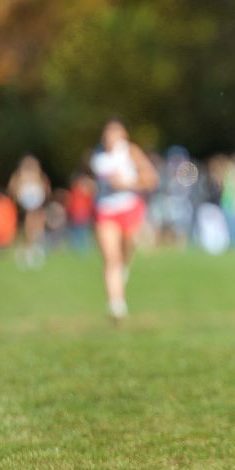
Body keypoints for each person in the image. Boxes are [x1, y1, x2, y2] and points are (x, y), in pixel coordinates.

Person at [89, 119, 158, 322]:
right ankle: (116, 304)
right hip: (106, 211)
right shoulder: (97, 157)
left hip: (129, 208)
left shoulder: (131, 152)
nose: (111, 138)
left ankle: (123, 269)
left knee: (127, 249)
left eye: (115, 134)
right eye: (108, 134)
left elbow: (151, 179)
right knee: (111, 258)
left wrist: (128, 184)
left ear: (123, 135)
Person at [7, 155, 51, 267]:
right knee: (28, 224)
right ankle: (29, 249)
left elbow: (46, 187)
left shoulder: (39, 176)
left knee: (37, 223)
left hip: (36, 203)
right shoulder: (20, 176)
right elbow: (12, 188)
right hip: (26, 203)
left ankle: (34, 246)